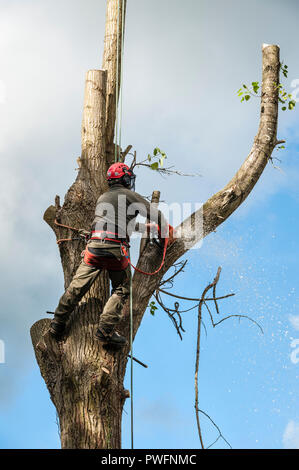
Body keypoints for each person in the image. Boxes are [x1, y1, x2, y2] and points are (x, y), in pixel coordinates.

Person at [49, 162, 173, 346]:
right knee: (122, 288)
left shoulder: (103, 197)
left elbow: (118, 223)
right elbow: (157, 215)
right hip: (115, 250)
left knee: (76, 287)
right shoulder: (130, 195)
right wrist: (165, 232)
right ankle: (104, 332)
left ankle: (57, 324)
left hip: (95, 247)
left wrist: (144, 227)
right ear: (124, 178)